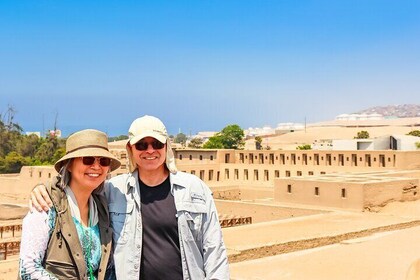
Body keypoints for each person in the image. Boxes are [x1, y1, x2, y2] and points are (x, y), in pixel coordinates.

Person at [30, 115, 230, 279]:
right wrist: (44, 188)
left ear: (166, 147)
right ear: (131, 150)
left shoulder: (195, 189)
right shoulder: (113, 190)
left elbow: (214, 250)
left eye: (156, 144)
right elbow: (77, 183)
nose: (150, 150)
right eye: (142, 145)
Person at [20, 129, 121, 279]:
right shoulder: (46, 207)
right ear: (69, 165)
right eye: (88, 159)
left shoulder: (103, 209)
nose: (96, 166)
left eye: (103, 161)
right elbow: (28, 269)